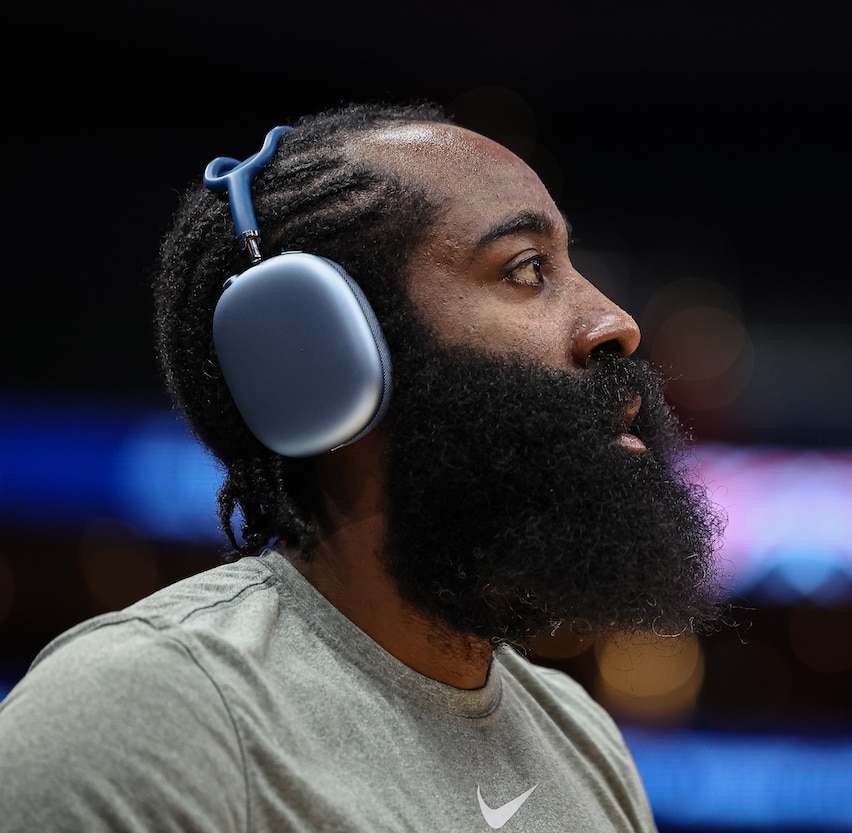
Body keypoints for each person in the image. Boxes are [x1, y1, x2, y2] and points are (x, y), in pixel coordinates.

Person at [0, 100, 729, 831]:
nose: (617, 323)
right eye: (526, 268)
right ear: (326, 350)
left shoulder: (581, 740)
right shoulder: (143, 714)